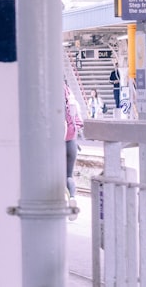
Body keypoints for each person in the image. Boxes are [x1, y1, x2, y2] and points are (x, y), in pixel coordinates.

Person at [64, 82, 84, 212]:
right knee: (69, 175)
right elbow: (79, 121)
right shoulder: (70, 95)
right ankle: (72, 197)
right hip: (72, 141)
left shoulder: (52, 91)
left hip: (58, 142)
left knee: (55, 175)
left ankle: (62, 202)